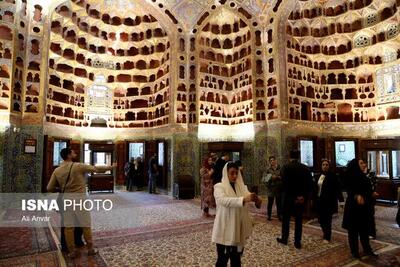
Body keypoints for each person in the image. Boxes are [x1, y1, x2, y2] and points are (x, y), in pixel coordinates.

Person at [47, 148, 116, 258]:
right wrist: (110, 167)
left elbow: (49, 188)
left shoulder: (57, 171)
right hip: (80, 200)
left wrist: (61, 189)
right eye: (73, 152)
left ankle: (72, 251)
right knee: (85, 224)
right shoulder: (77, 166)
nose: (75, 153)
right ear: (69, 155)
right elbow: (96, 169)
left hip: (66, 200)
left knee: (69, 227)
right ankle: (90, 249)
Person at [212, 162, 262, 267]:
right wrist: (244, 199)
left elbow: (250, 197)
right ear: (226, 173)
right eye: (232, 173)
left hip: (238, 229)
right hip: (225, 229)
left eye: (236, 173)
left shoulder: (241, 187)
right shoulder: (219, 187)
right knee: (222, 261)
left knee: (236, 260)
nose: (235, 176)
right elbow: (224, 201)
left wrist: (257, 200)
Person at [342, 158, 378, 259]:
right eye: (361, 163)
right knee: (353, 232)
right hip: (353, 209)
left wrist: (372, 194)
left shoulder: (364, 177)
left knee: (364, 231)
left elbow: (367, 190)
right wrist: (356, 196)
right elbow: (350, 191)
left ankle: (367, 250)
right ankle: (355, 252)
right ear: (355, 165)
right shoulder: (350, 177)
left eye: (364, 163)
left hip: (364, 209)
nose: (364, 165)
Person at [277, 150, 313, 249]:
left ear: (290, 156)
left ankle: (284, 238)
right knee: (298, 221)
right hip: (300, 199)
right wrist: (302, 196)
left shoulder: (285, 168)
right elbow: (309, 185)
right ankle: (297, 242)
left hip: (288, 198)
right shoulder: (305, 168)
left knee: (286, 220)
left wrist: (291, 197)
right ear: (299, 156)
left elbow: (284, 184)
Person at [315, 159, 343, 243]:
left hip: (329, 201)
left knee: (327, 219)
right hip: (319, 201)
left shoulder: (333, 176)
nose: (325, 166)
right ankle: (325, 232)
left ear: (329, 166)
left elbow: (338, 189)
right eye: (323, 165)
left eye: (326, 165)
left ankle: (327, 236)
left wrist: (341, 200)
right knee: (320, 219)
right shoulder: (318, 175)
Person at [263, 156, 282, 221]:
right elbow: (264, 179)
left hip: (278, 189)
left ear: (276, 160)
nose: (272, 162)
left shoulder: (280, 168)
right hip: (271, 189)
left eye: (273, 160)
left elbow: (283, 176)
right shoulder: (267, 170)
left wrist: (277, 177)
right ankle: (269, 216)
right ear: (269, 162)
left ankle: (279, 216)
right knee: (270, 203)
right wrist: (271, 178)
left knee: (279, 204)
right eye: (270, 161)